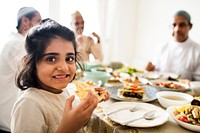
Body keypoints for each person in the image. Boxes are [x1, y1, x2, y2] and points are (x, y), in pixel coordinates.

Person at [11, 18, 109, 133]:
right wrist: (68, 129)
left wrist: (89, 104)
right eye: (51, 59)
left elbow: (79, 124)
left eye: (69, 58)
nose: (64, 67)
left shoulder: (64, 91)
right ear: (29, 62)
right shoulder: (29, 105)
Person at [0, 7, 41, 133]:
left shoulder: (13, 40)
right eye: (38, 21)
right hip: (8, 115)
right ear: (25, 21)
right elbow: (34, 74)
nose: (40, 26)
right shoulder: (18, 44)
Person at [146, 10, 200, 81]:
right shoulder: (163, 46)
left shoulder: (197, 51)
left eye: (182, 25)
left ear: (190, 26)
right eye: (174, 25)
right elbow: (155, 72)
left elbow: (198, 83)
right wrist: (149, 71)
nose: (177, 29)